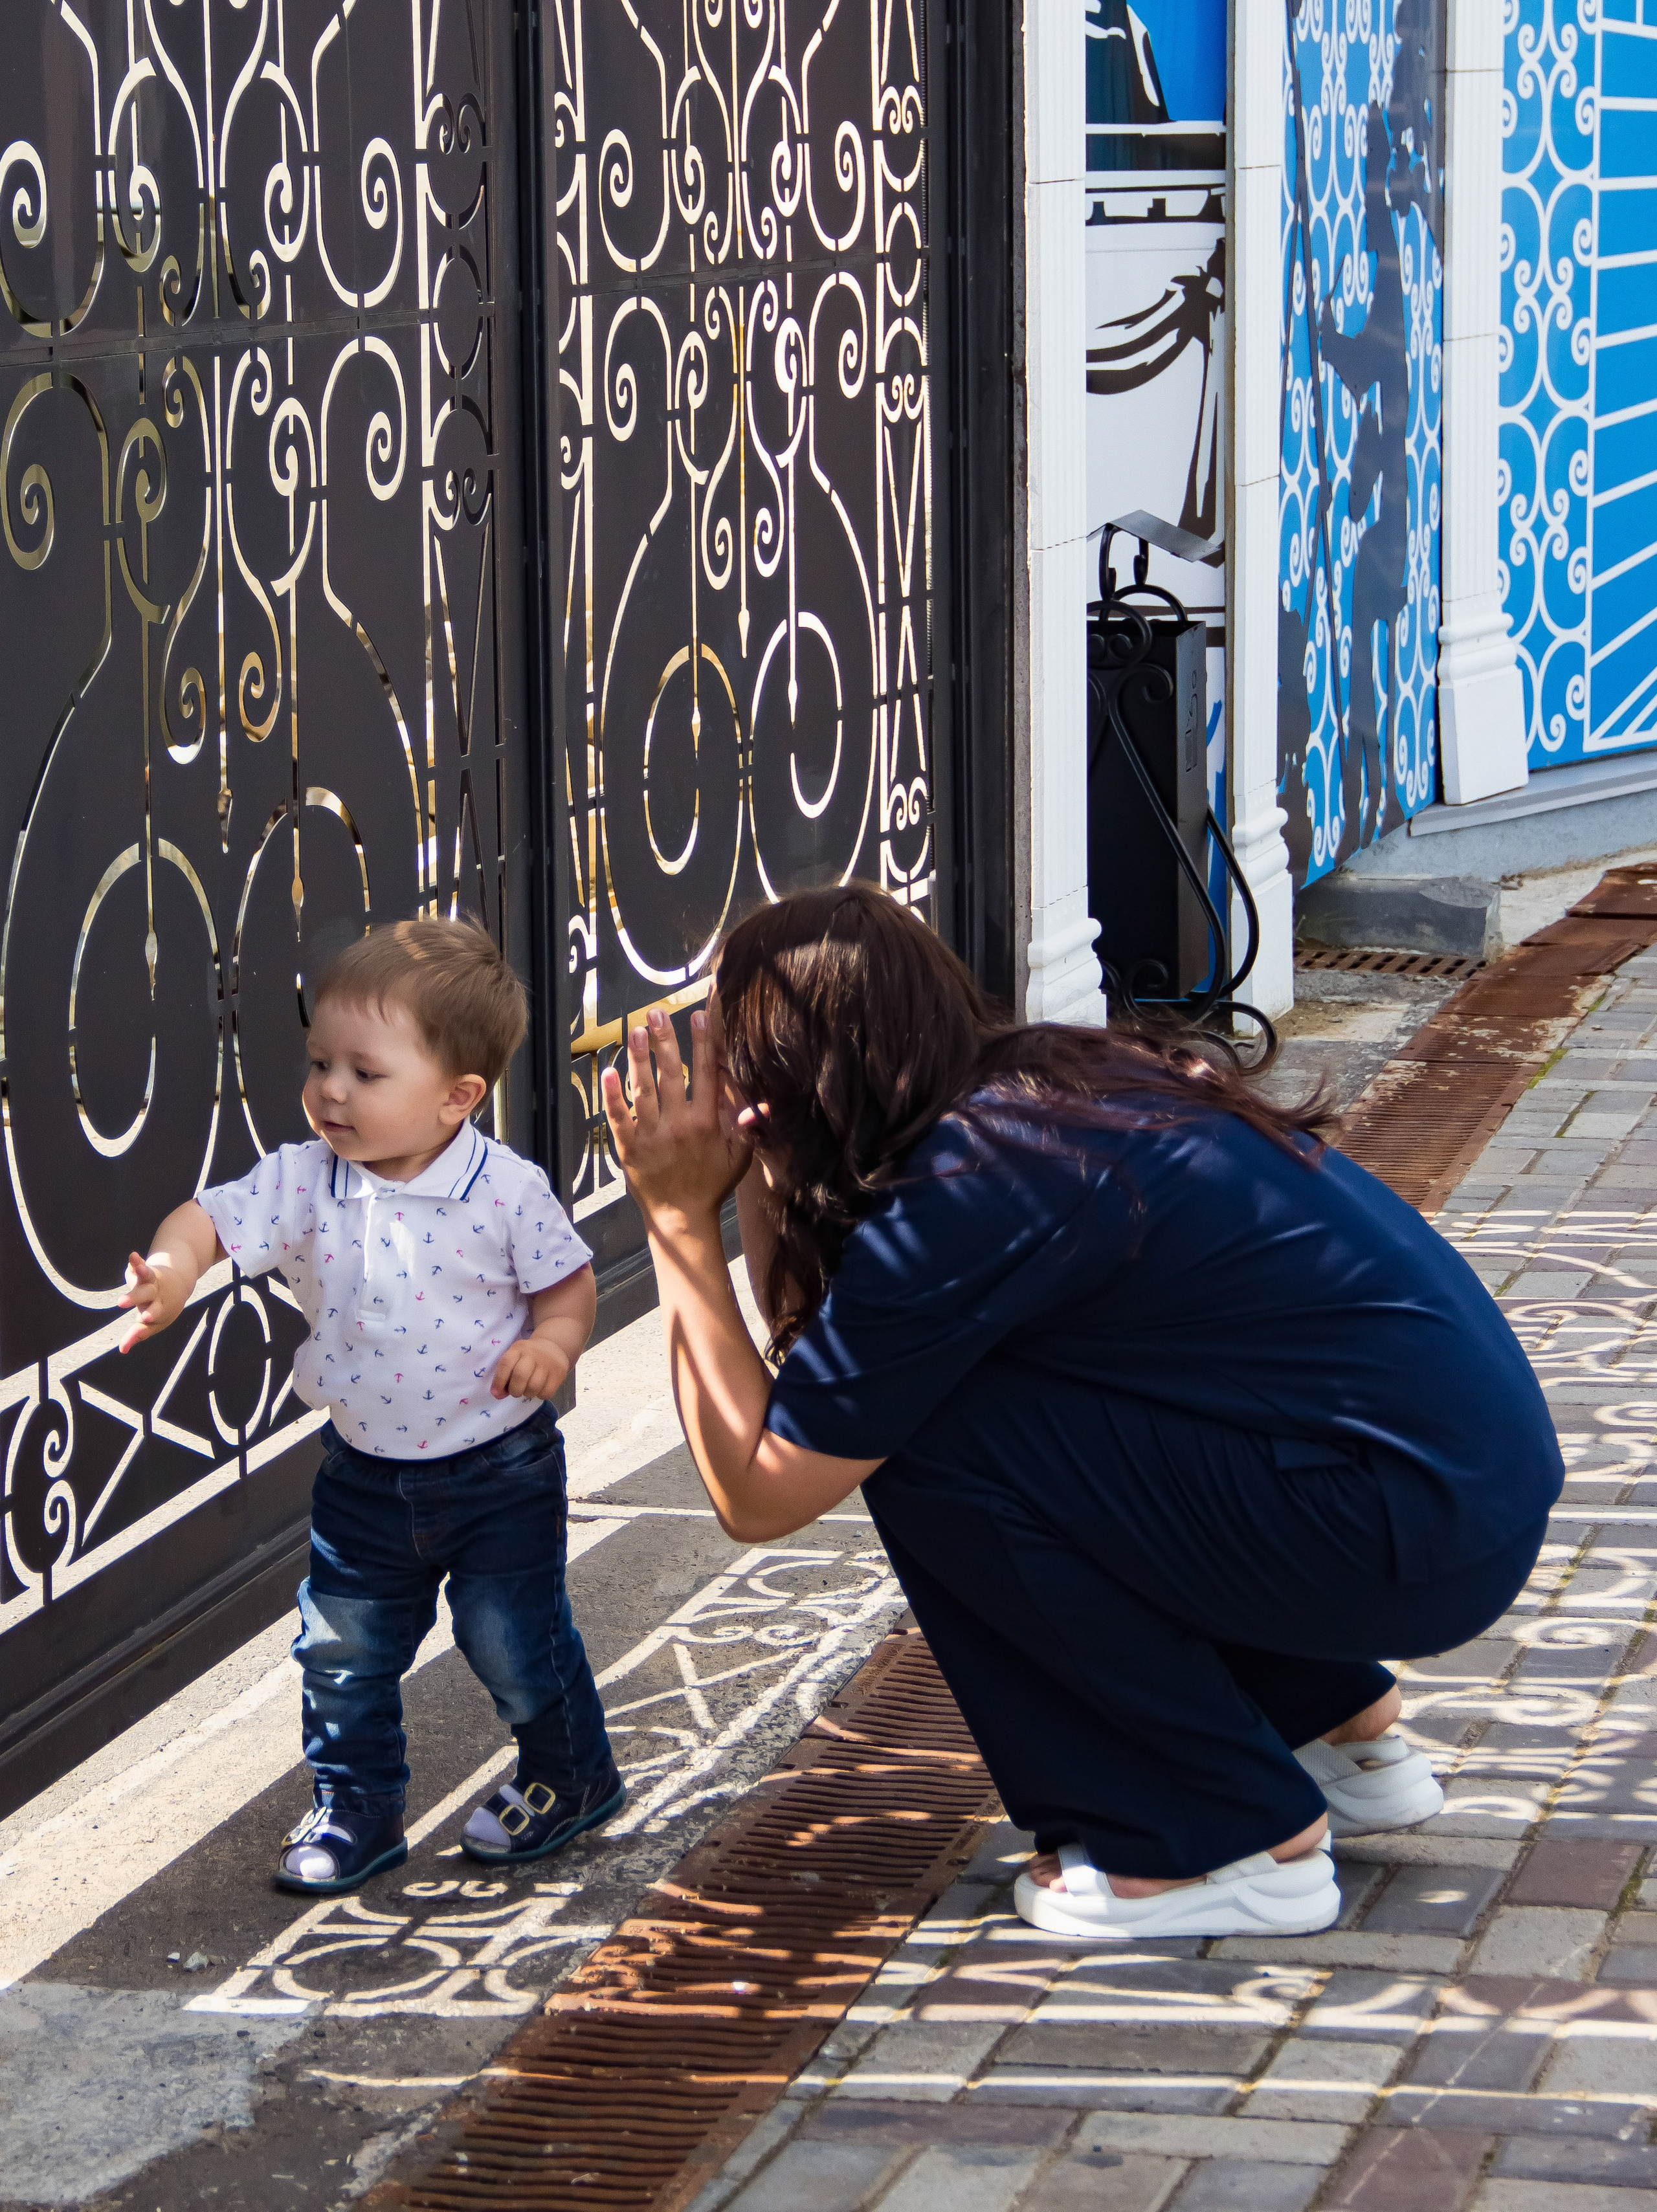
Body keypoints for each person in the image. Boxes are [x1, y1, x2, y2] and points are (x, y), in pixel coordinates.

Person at [599, 885, 1562, 1939]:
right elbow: (825, 1357)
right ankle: (1327, 1724)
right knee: (932, 1402)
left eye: (729, 1054)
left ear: (793, 1078)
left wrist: (677, 1217)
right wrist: (763, 1162)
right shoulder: (1033, 1095)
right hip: (1456, 1489)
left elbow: (765, 1484)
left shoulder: (971, 1185)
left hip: (1406, 1530)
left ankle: (1218, 1839)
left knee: (932, 1437)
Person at [119, 919, 622, 1895]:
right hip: (364, 1476)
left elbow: (567, 1286)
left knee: (511, 1636)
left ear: (458, 1096)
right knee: (341, 1651)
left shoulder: (505, 1190)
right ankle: (357, 1805)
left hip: (499, 1470)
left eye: (365, 1072)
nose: (332, 1091)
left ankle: (571, 1774)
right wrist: (175, 1271)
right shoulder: (304, 1180)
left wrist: (553, 1345)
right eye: (321, 1064)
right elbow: (209, 1220)